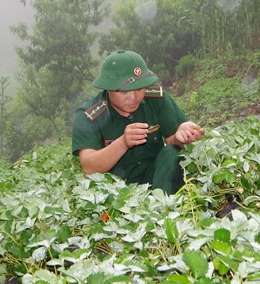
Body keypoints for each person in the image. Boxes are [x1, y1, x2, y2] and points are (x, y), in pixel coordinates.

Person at [72, 51, 204, 194]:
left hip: (155, 178)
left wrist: (180, 136)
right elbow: (89, 167)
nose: (133, 97)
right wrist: (123, 143)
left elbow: (173, 141)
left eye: (139, 88)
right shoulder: (89, 115)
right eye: (124, 92)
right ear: (108, 88)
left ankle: (162, 207)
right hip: (115, 191)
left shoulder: (156, 98)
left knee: (172, 152)